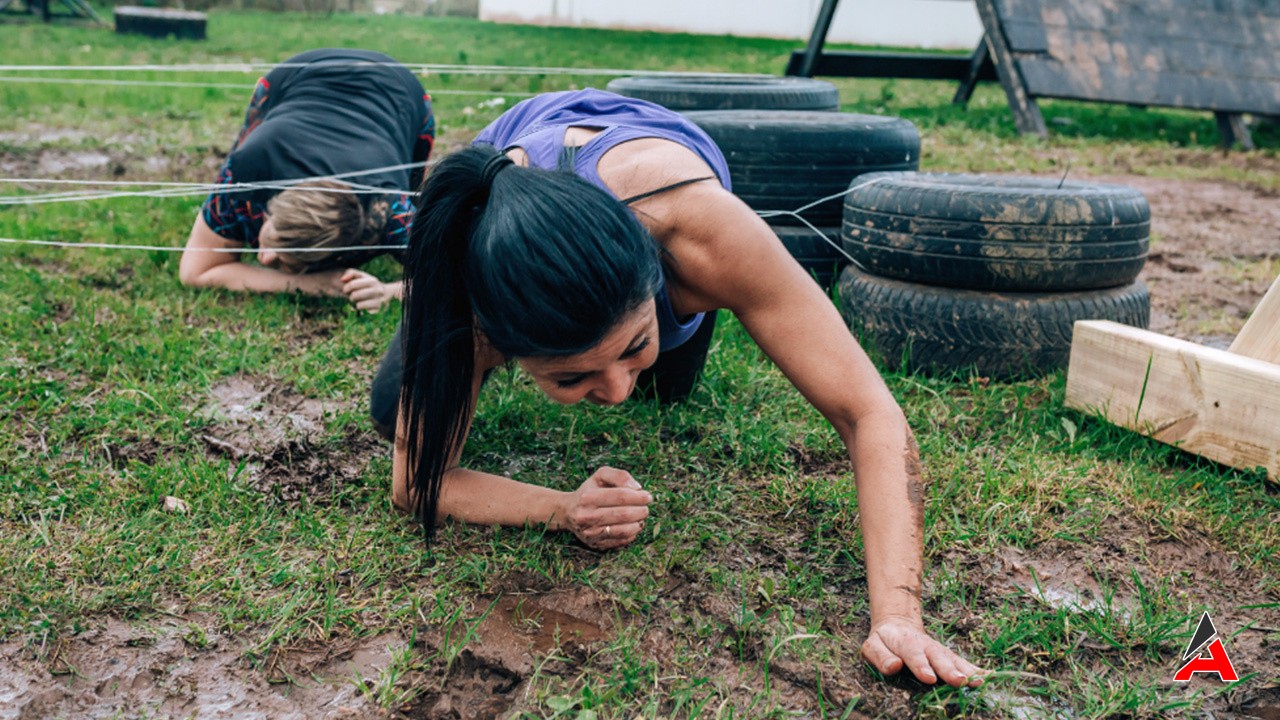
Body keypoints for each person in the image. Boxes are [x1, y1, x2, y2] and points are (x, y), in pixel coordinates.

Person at [373, 89, 983, 687]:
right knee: (388, 405)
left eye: (633, 345)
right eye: (569, 376)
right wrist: (560, 508)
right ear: (500, 341)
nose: (614, 393)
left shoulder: (705, 237)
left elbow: (867, 412)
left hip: (658, 210)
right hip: (502, 226)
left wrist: (898, 615)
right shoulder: (464, 294)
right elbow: (415, 481)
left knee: (669, 387)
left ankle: (616, 347)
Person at [178, 48, 435, 312]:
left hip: (399, 91)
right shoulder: (248, 169)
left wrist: (387, 291)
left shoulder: (387, 208)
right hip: (299, 74)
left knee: (417, 200)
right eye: (268, 237)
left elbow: (460, 275)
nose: (262, 258)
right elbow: (195, 271)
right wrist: (317, 283)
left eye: (291, 260)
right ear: (269, 209)